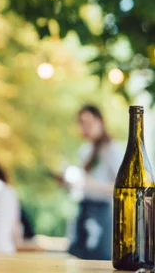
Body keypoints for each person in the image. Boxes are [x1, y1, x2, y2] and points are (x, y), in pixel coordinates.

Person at [67, 104, 124, 261]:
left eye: (89, 122)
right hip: (83, 209)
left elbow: (123, 186)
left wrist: (90, 184)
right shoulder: (85, 150)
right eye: (81, 123)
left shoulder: (112, 149)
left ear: (100, 122)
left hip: (102, 212)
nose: (85, 127)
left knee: (97, 259)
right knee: (77, 258)